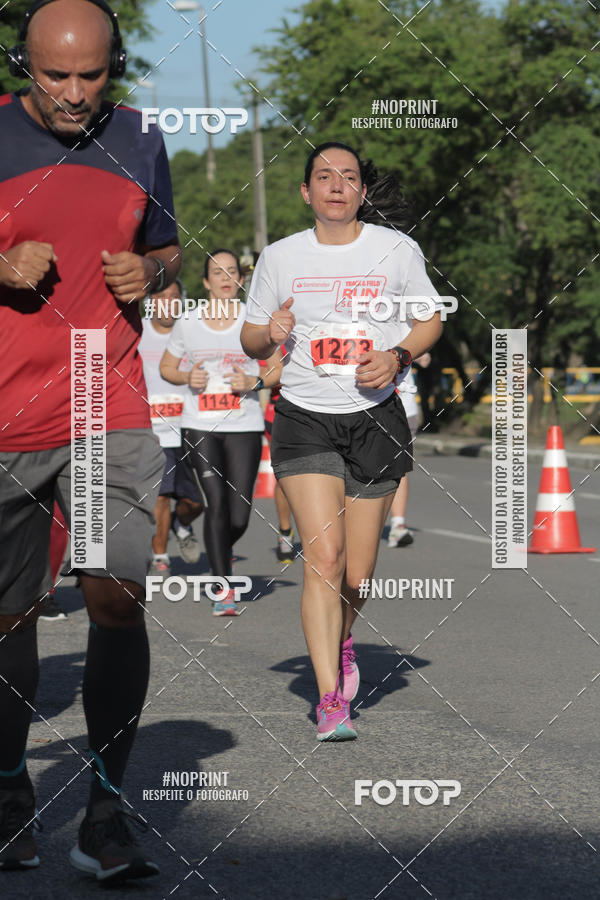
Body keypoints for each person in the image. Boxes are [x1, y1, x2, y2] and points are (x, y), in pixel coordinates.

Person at [0, 0, 180, 880]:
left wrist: (151, 270)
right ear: (21, 64)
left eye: (92, 74)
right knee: (12, 614)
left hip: (107, 400)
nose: (75, 93)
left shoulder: (142, 139)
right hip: (6, 419)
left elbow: (167, 246)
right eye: (53, 74)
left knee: (115, 596)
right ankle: (7, 798)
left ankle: (105, 813)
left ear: (116, 62)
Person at [241, 142, 444, 741]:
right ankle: (331, 699)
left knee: (357, 574)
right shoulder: (280, 258)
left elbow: (429, 317)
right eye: (323, 177)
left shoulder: (396, 250)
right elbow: (253, 340)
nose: (335, 185)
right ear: (306, 192)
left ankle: (344, 637)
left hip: (375, 419)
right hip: (304, 416)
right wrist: (268, 332)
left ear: (361, 191)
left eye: (348, 177)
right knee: (322, 561)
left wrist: (397, 353)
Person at [160, 250, 282, 616]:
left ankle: (219, 549)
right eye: (218, 272)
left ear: (241, 280)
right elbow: (168, 366)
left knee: (239, 514)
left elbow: (278, 368)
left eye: (232, 271)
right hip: (200, 425)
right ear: (206, 282)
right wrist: (186, 377)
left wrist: (254, 381)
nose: (226, 277)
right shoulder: (189, 320)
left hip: (243, 425)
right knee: (215, 503)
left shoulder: (254, 320)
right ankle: (222, 586)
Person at [139, 278, 204, 576]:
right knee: (161, 494)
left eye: (174, 297)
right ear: (150, 301)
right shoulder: (136, 331)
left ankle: (183, 523)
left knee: (196, 502)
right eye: (160, 297)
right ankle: (160, 554)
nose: (167, 303)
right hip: (153, 429)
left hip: (190, 426)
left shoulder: (192, 331)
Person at [387, 351, 431, 548]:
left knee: (399, 468)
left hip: (403, 407)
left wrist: (420, 353)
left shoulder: (406, 323)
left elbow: (421, 345)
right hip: (362, 406)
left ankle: (398, 526)